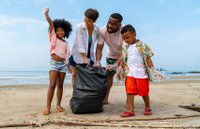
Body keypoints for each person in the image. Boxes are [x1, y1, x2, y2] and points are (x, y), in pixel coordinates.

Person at [115, 24, 163, 117]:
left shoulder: (142, 46)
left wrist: (153, 70)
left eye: (128, 37)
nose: (126, 40)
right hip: (130, 74)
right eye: (124, 38)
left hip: (141, 74)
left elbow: (148, 58)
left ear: (135, 34)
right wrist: (119, 68)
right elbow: (123, 59)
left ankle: (147, 107)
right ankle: (130, 110)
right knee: (129, 91)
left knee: (144, 92)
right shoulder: (126, 48)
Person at [43, 7, 72, 115]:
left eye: (62, 30)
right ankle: (48, 107)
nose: (60, 32)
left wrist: (69, 65)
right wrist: (47, 15)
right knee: (52, 84)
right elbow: (51, 25)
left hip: (63, 65)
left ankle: (58, 105)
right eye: (58, 30)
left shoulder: (66, 43)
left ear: (65, 32)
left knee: (60, 85)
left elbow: (67, 56)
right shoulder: (53, 37)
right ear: (55, 31)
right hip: (54, 63)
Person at [94, 13, 125, 104]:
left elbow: (125, 51)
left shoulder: (124, 31)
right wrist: (97, 61)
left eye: (114, 24)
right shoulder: (103, 31)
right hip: (111, 55)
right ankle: (105, 99)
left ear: (119, 25)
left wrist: (117, 65)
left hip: (125, 56)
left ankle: (129, 100)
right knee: (109, 77)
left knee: (127, 77)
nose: (110, 26)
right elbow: (99, 47)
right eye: (109, 23)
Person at [69, 8, 99, 87]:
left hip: (89, 55)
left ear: (94, 21)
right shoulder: (80, 27)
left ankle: (86, 93)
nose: (86, 22)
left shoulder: (97, 29)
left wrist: (97, 60)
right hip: (77, 54)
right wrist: (84, 57)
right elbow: (80, 42)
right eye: (85, 19)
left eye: (89, 21)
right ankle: (75, 93)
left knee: (89, 76)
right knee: (74, 74)